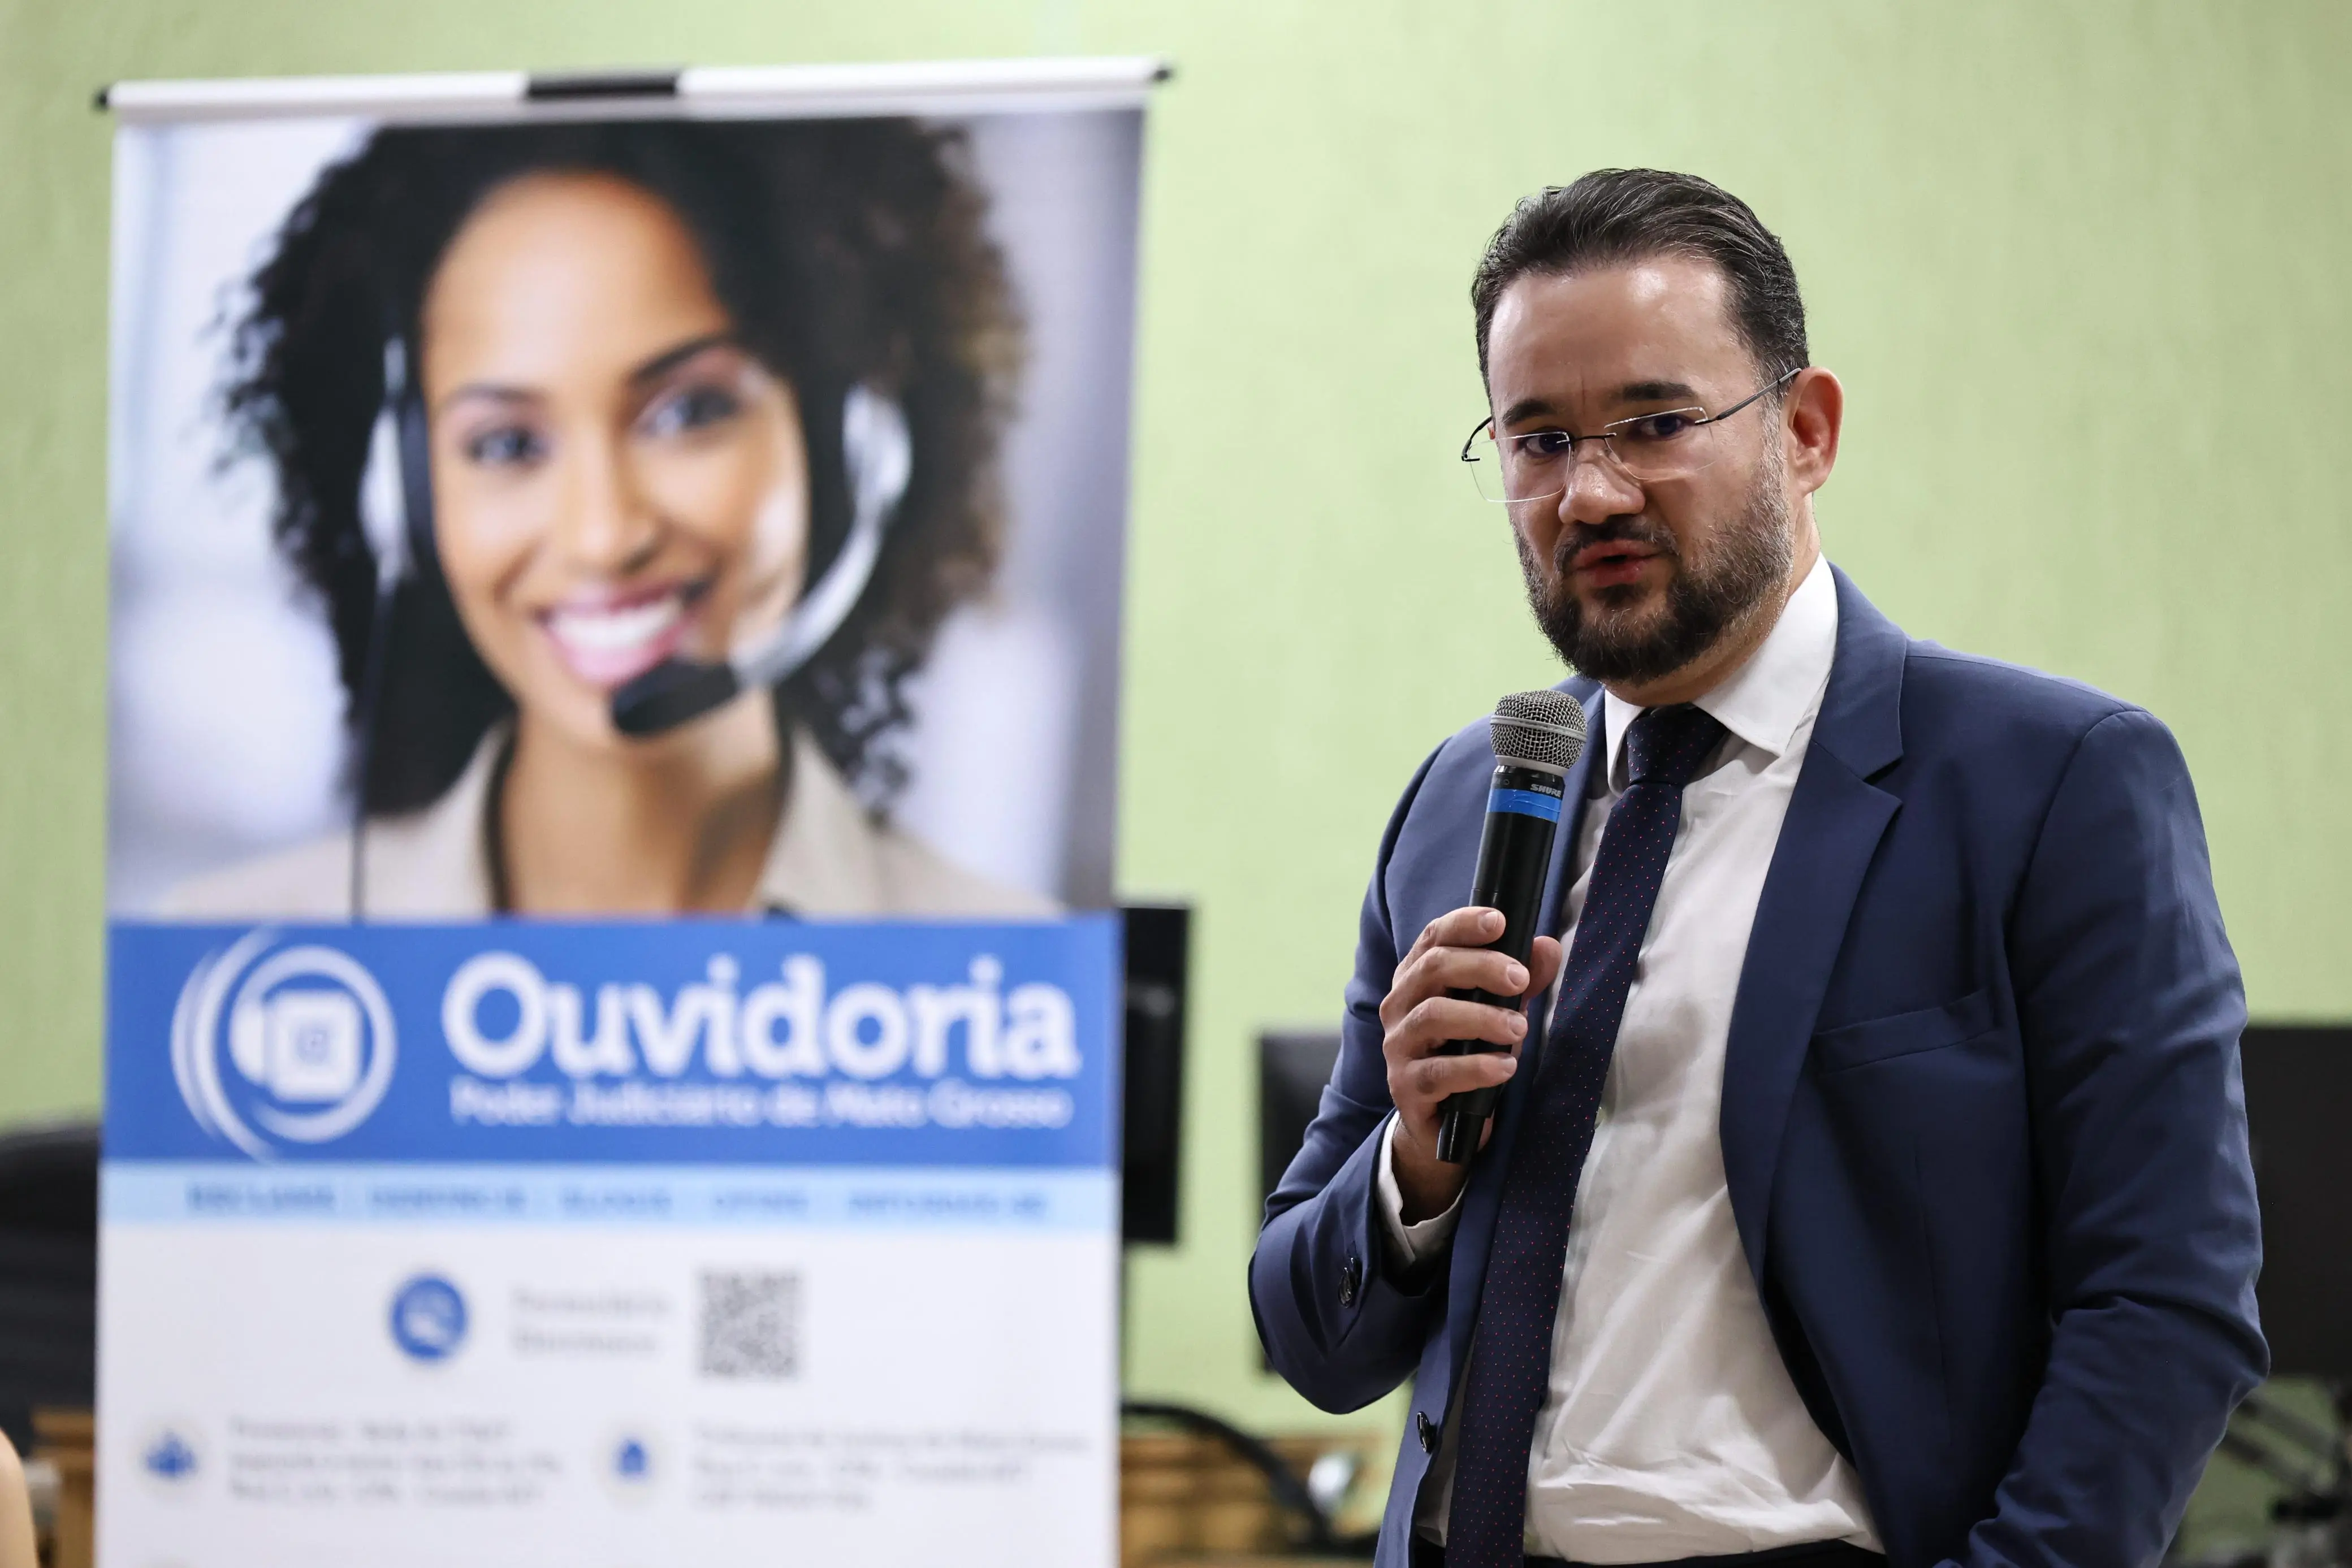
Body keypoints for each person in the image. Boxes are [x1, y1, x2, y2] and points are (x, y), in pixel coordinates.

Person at [1251, 170, 2263, 1568]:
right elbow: (1311, 1338)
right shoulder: (1462, 800)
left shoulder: (2048, 783)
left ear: (1805, 430)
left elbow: (2164, 1299)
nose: (1589, 491)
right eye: (1538, 439)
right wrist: (1411, 1166)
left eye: (1654, 424)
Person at [164, 119, 1049, 920]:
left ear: (855, 454)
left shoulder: (1000, 983)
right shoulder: (238, 965)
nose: (603, 535)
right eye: (507, 444)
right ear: (403, 498)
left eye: (689, 413)